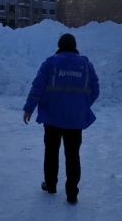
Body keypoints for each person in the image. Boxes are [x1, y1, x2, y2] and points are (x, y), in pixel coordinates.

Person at [22, 33, 99, 205]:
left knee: (51, 152)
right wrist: (82, 105)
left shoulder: (50, 63)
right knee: (73, 155)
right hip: (75, 119)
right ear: (74, 46)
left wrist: (29, 109)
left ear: (59, 46)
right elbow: (95, 91)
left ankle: (50, 185)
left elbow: (37, 89)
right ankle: (72, 193)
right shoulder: (86, 65)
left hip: (52, 118)